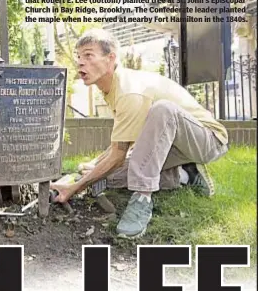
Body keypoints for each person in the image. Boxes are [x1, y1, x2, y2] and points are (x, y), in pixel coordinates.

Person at [51, 29, 228, 238]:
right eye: (79, 57)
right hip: (169, 143)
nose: (80, 62)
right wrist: (93, 165)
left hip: (207, 140)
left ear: (111, 58)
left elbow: (117, 156)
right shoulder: (110, 89)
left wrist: (75, 188)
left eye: (89, 55)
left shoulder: (129, 90)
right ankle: (185, 175)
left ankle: (142, 198)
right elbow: (121, 143)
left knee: (163, 110)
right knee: (111, 176)